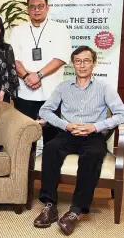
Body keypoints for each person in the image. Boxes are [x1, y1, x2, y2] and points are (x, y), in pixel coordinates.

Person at [35, 46, 124, 235]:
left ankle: (75, 211)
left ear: (94, 63)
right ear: (72, 64)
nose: (82, 65)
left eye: (86, 61)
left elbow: (121, 113)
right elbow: (44, 111)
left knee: (92, 154)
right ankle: (50, 206)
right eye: (78, 61)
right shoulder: (63, 87)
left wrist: (96, 126)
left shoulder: (104, 88)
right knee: (51, 148)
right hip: (68, 133)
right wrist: (65, 124)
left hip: (93, 135)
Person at [9, 0, 71, 144]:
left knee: (53, 140)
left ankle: (49, 168)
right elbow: (13, 59)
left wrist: (38, 75)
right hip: (25, 94)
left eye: (40, 6)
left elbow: (61, 58)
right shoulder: (18, 31)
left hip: (51, 94)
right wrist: (26, 77)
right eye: (32, 7)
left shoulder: (59, 29)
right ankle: (26, 169)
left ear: (47, 7)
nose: (36, 10)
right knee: (24, 140)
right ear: (27, 9)